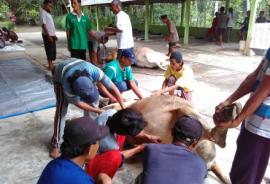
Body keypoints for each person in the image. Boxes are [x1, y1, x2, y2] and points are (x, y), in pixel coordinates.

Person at [214, 48, 270, 184]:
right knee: (243, 166)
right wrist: (228, 100)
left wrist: (238, 119)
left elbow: (264, 91)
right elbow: (255, 76)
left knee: (247, 173)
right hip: (253, 120)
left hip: (262, 127)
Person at [50, 58, 125, 158]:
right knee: (61, 112)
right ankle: (56, 144)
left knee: (93, 103)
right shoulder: (67, 86)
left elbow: (114, 88)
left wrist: (123, 107)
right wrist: (98, 110)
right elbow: (78, 103)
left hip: (81, 68)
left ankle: (91, 133)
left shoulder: (95, 72)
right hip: (60, 77)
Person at [86, 108, 162, 183]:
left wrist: (147, 136)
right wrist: (139, 148)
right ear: (122, 133)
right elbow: (120, 156)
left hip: (94, 137)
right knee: (115, 157)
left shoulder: (111, 113)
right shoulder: (109, 145)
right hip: (91, 159)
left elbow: (125, 127)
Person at [37, 116, 110, 184]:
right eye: (98, 142)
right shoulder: (82, 181)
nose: (98, 146)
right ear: (89, 149)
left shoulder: (53, 164)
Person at [136, 116, 207, 184]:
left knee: (141, 177)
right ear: (195, 142)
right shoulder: (202, 164)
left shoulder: (152, 149)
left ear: (172, 131)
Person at [40, 0, 57, 71]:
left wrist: (54, 35)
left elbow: (50, 25)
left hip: (51, 35)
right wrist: (49, 36)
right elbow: (44, 25)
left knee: (52, 50)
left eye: (51, 6)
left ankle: (51, 64)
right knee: (49, 50)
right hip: (47, 35)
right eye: (49, 6)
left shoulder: (47, 13)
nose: (50, 7)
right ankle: (50, 65)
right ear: (44, 5)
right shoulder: (43, 13)